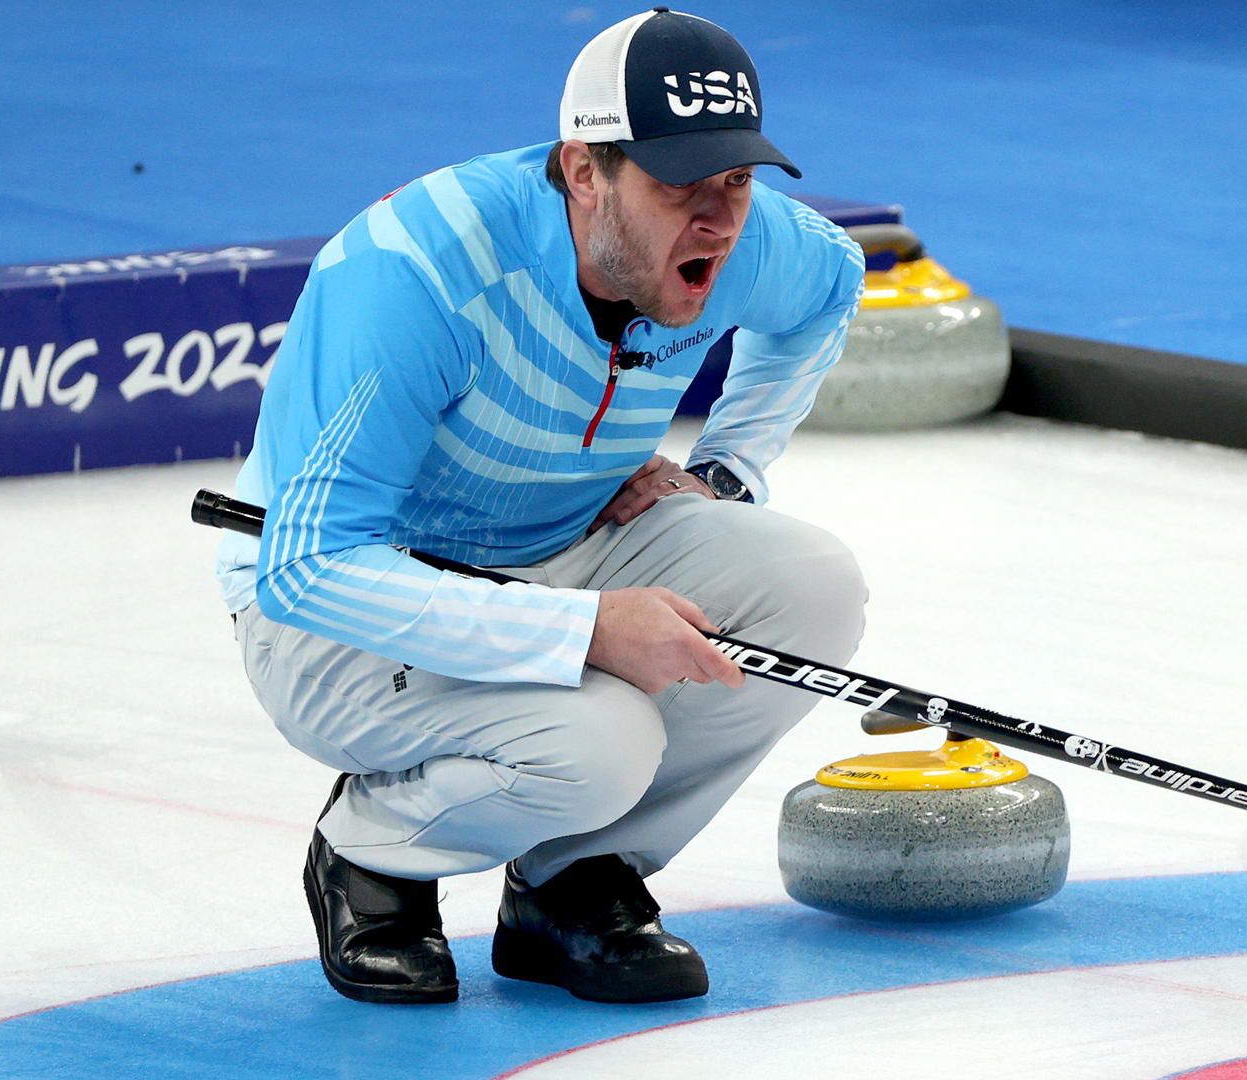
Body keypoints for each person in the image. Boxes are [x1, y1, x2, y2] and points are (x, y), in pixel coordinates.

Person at [214, 7, 867, 1006]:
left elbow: (832, 285)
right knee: (604, 743)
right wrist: (586, 631)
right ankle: (371, 854)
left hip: (566, 541)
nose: (719, 217)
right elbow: (305, 569)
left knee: (813, 590)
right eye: (679, 181)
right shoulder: (416, 271)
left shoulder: (747, 244)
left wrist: (726, 471)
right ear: (582, 170)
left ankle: (571, 883)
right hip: (345, 601)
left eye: (735, 179)